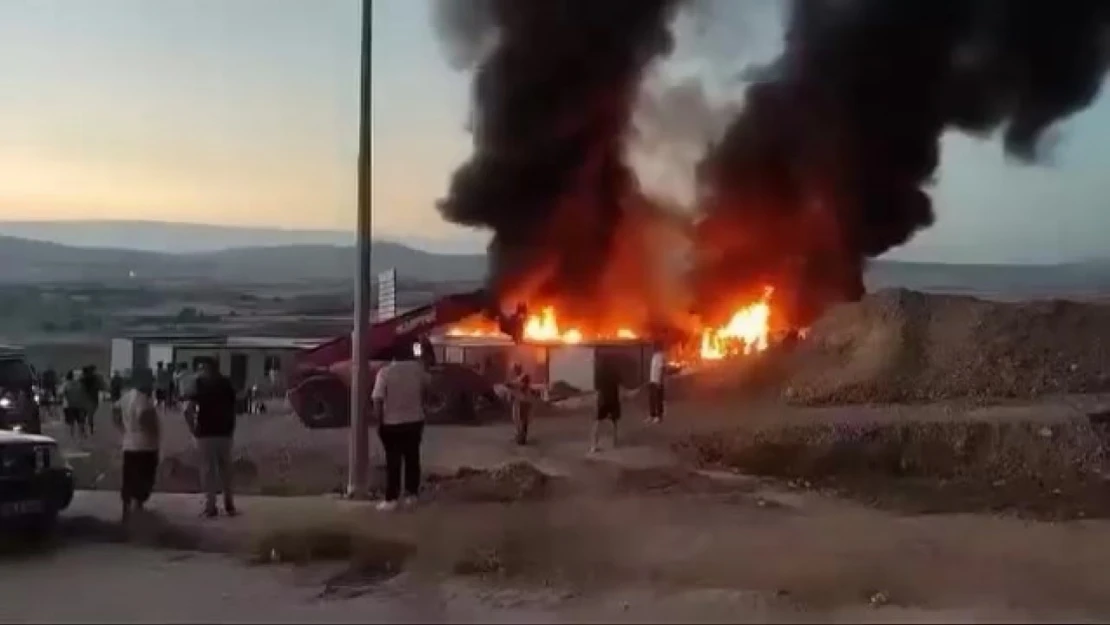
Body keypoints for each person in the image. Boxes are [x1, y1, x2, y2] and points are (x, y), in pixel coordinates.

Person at [371, 344, 431, 512]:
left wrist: (379, 423)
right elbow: (429, 386)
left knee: (393, 462)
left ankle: (392, 499)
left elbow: (377, 400)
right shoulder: (417, 370)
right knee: (413, 459)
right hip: (415, 422)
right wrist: (423, 407)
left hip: (392, 424)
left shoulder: (385, 372)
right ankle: (412, 495)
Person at [183, 358, 238, 518]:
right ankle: (229, 505)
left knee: (208, 471)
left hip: (205, 432)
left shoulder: (199, 384)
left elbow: (188, 409)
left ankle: (211, 507)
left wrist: (192, 428)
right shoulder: (226, 383)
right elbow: (234, 406)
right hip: (225, 432)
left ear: (205, 368)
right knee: (226, 469)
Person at [113, 369, 161, 523]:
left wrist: (124, 429)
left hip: (129, 444)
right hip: (145, 445)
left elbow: (115, 413)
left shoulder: (125, 397)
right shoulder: (144, 400)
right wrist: (154, 434)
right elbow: (145, 419)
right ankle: (138, 506)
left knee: (129, 476)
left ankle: (126, 508)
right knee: (145, 476)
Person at [591, 359, 623, 453]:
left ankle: (594, 445)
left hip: (603, 400)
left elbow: (597, 390)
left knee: (597, 422)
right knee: (614, 422)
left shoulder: (600, 374)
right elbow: (620, 387)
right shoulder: (615, 373)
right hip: (613, 399)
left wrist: (596, 402)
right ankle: (615, 442)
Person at [508, 363, 533, 446]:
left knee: (523, 421)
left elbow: (523, 386)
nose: (515, 371)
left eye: (516, 369)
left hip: (524, 401)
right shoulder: (517, 378)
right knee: (517, 420)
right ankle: (520, 437)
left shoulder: (524, 376)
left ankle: (522, 438)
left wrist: (512, 385)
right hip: (519, 401)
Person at [79, 365, 105, 437]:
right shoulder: (95, 379)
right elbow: (101, 387)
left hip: (84, 400)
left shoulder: (82, 379)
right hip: (93, 400)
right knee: (90, 416)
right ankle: (90, 430)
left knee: (83, 416)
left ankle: (83, 431)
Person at [61, 370, 87, 440]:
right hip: (79, 406)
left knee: (72, 423)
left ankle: (73, 438)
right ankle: (80, 437)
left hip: (70, 406)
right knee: (80, 422)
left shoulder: (66, 384)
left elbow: (61, 393)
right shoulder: (81, 384)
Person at [647, 342, 666, 424]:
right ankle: (652, 415)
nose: (652, 347)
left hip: (658, 381)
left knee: (658, 400)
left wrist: (659, 381)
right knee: (652, 399)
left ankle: (659, 417)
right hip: (652, 380)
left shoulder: (660, 356)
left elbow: (661, 369)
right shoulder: (654, 356)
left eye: (654, 346)